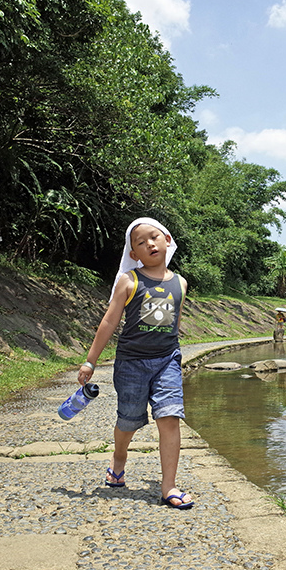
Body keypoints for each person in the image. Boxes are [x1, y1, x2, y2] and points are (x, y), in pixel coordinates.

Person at [78, 217, 193, 509]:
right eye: (140, 243)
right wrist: (90, 363)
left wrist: (177, 361)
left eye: (154, 237)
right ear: (133, 255)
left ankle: (169, 486)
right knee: (128, 419)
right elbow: (109, 322)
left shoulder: (180, 282)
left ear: (168, 239)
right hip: (131, 363)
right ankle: (119, 456)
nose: (149, 244)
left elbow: (175, 324)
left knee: (169, 417)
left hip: (167, 360)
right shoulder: (129, 281)